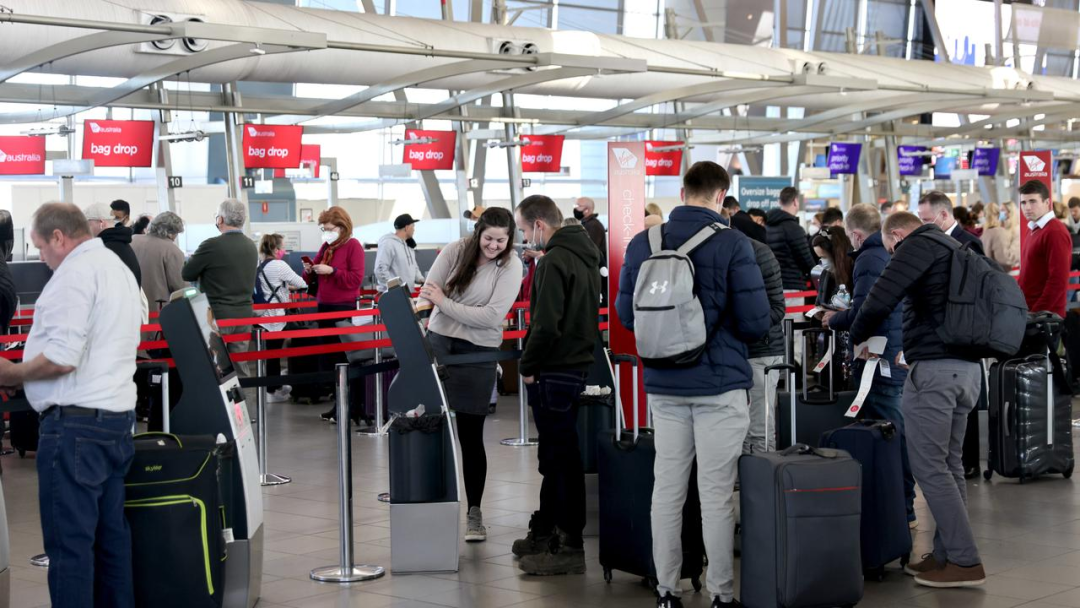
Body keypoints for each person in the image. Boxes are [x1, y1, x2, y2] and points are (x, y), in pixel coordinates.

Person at [618, 161, 768, 608]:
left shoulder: (642, 243)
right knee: (716, 493)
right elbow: (755, 323)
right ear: (721, 197)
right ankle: (721, 593)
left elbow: (627, 316)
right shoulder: (734, 243)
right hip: (719, 387)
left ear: (682, 193)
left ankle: (667, 590)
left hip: (664, 386)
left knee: (667, 490)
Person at [0, 202, 141, 607]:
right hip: (115, 422)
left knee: (70, 548)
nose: (41, 258)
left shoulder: (74, 275)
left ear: (59, 237)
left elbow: (63, 358)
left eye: (40, 247)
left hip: (75, 429)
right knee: (111, 543)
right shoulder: (117, 268)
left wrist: (12, 373)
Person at [849, 211, 985, 588]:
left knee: (930, 468)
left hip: (936, 373)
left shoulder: (915, 246)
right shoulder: (954, 247)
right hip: (967, 370)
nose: (892, 255)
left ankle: (964, 559)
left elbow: (878, 300)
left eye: (890, 249)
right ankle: (945, 554)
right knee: (949, 466)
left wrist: (855, 338)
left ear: (896, 236)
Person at [416, 208, 522, 544]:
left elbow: (491, 317)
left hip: (479, 353)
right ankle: (430, 506)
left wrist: (444, 303)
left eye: (501, 240)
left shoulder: (511, 265)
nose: (494, 246)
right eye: (488, 238)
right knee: (429, 427)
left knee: (471, 435)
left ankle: (474, 513)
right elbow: (427, 292)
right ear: (478, 233)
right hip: (439, 345)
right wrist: (437, 307)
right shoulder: (456, 250)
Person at [512, 195, 601, 576]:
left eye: (523, 229)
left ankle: (568, 545)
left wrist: (527, 365)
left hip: (553, 368)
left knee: (560, 459)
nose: (523, 237)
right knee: (557, 454)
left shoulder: (553, 261)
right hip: (576, 365)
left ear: (538, 225)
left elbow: (546, 325)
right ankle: (548, 527)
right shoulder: (585, 254)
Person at [823, 203, 916, 528]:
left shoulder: (867, 258)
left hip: (879, 360)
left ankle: (901, 509)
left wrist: (836, 320)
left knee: (888, 435)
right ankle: (900, 507)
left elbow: (867, 311)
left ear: (856, 234)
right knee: (896, 432)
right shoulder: (890, 255)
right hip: (896, 355)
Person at [723, 200, 785, 454]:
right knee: (736, 426)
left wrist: (746, 328)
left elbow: (777, 307)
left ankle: (762, 473)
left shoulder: (759, 252)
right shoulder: (717, 253)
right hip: (732, 351)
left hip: (761, 350)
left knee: (760, 426)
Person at [182, 199, 259, 385]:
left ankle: (220, 404)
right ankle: (243, 403)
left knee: (217, 368)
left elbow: (187, 273)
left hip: (217, 316)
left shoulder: (211, 245)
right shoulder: (251, 245)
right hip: (244, 314)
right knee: (240, 366)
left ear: (220, 219)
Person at [304, 207, 364, 420]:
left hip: (343, 307)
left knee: (345, 358)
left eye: (329, 228)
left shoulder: (353, 246)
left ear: (342, 227)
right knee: (330, 358)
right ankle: (338, 403)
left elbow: (355, 279)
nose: (326, 232)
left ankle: (350, 404)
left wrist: (333, 271)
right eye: (324, 229)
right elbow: (311, 276)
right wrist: (310, 270)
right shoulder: (326, 247)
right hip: (324, 306)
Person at [256, 233, 308, 403]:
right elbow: (302, 283)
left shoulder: (260, 264)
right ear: (275, 249)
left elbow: (270, 286)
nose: (284, 251)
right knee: (274, 354)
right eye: (283, 247)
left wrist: (285, 286)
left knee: (270, 354)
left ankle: (273, 386)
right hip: (276, 317)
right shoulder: (279, 265)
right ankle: (272, 390)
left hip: (262, 316)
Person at [1018, 180, 1072, 318]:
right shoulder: (1033, 229)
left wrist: (1036, 314)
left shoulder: (1055, 232)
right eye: (1023, 202)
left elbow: (1058, 281)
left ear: (1047, 202)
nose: (1027, 207)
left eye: (1033, 201)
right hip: (1028, 312)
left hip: (1045, 317)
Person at [132, 212, 186, 313]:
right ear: (172, 232)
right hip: (157, 312)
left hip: (131, 310)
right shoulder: (172, 251)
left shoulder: (132, 241)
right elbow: (180, 286)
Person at [767, 186, 817, 290]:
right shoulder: (794, 229)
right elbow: (806, 260)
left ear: (780, 202)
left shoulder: (768, 226)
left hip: (772, 284)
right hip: (792, 284)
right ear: (795, 201)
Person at [84, 202, 141, 287]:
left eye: (89, 225)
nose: (87, 230)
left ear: (101, 223)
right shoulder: (121, 242)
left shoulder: (106, 249)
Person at [917, 190, 985, 255]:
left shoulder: (970, 243)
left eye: (926, 220)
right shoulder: (924, 240)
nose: (923, 224)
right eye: (921, 219)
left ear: (944, 215)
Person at [374, 214, 424, 292]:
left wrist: (421, 279)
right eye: (413, 226)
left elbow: (414, 268)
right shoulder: (388, 243)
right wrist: (396, 288)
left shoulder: (409, 246)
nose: (414, 229)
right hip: (393, 294)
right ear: (407, 227)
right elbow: (380, 270)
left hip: (406, 293)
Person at [811, 227, 854, 308]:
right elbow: (819, 302)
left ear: (837, 254)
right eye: (819, 258)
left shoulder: (854, 273)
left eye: (824, 257)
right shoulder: (825, 274)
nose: (821, 261)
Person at [979, 203, 1017, 270]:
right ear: (998, 214)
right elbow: (1005, 260)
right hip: (1001, 272)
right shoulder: (1000, 232)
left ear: (984, 215)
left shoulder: (983, 234)